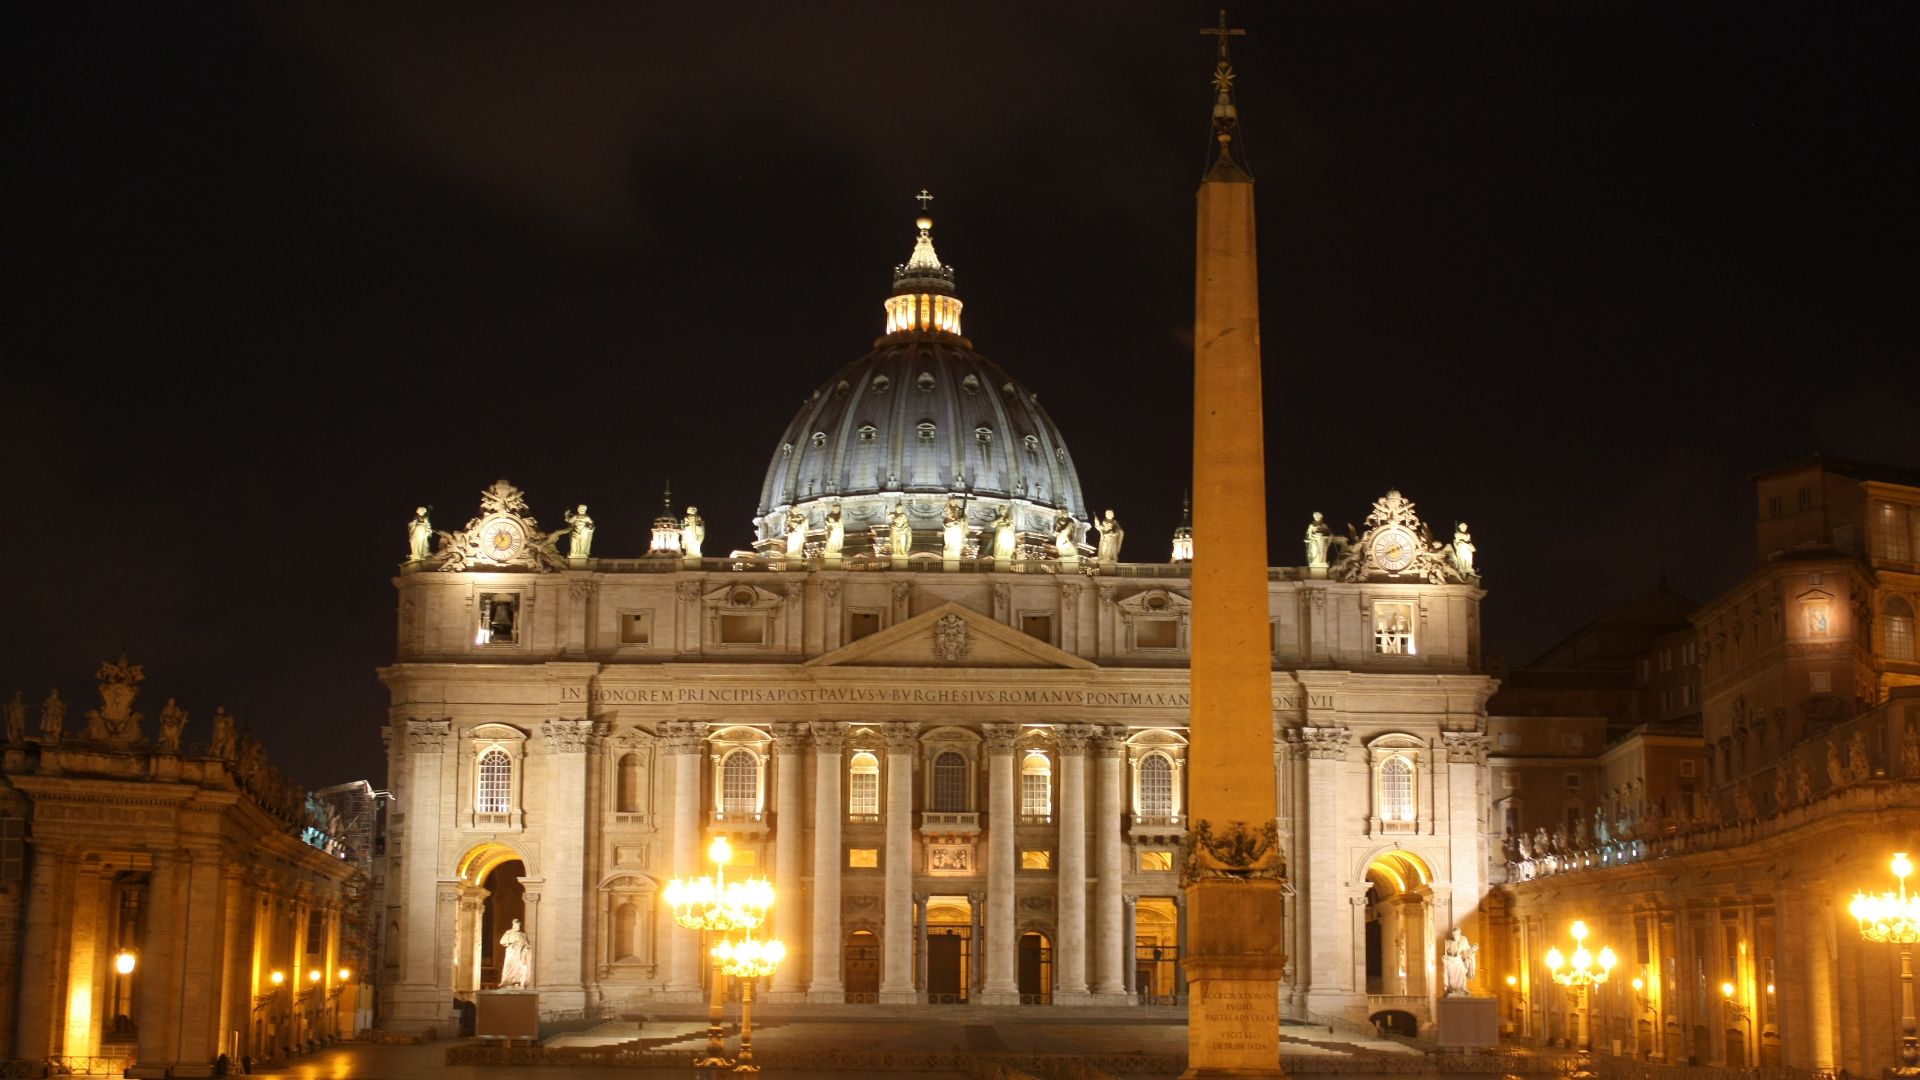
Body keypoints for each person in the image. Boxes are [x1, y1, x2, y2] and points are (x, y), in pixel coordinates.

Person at [499, 917, 533, 989]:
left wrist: (525, 948)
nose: (518, 926)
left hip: (519, 953)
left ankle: (516, 981)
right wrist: (510, 943)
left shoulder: (522, 934)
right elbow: (502, 941)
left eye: (519, 925)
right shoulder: (508, 933)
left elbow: (528, 944)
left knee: (518, 967)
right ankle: (506, 981)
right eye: (516, 925)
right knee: (508, 966)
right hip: (511, 952)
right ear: (513, 925)